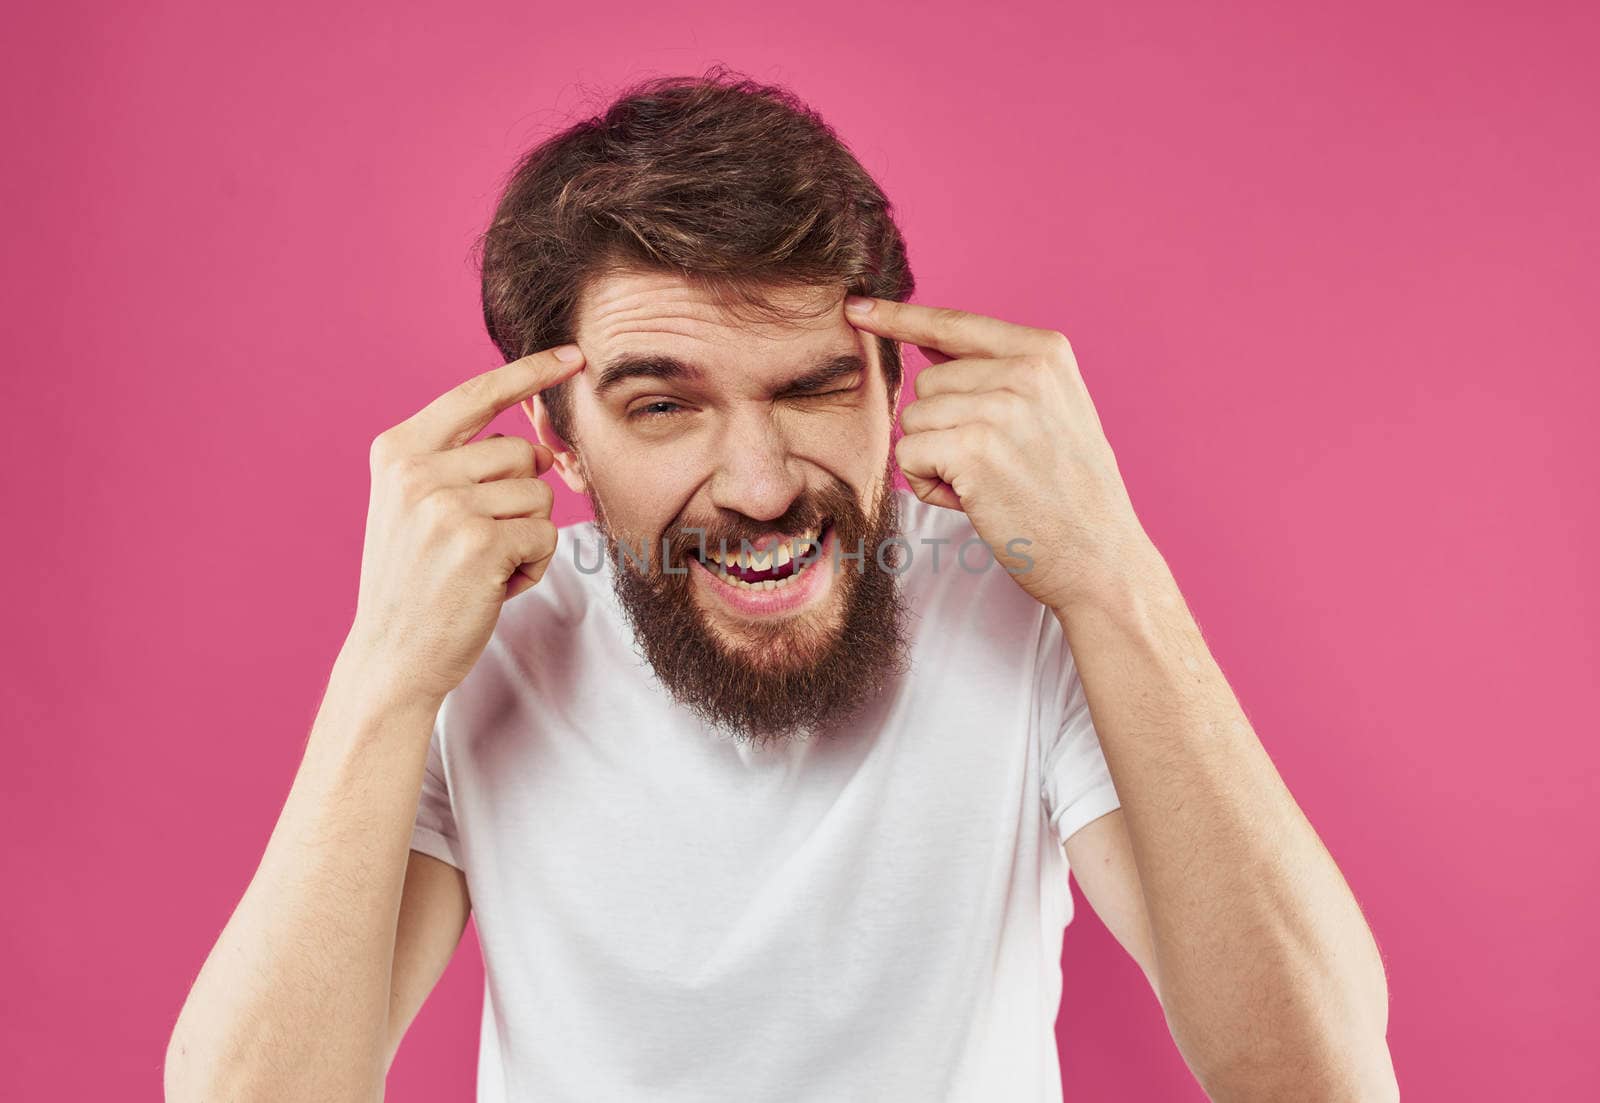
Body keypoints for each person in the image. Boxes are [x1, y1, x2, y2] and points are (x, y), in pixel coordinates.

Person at [165, 67, 1398, 1102]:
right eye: (663, 406)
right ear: (554, 431)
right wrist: (381, 670)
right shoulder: (484, 652)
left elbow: (1318, 1074)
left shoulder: (1026, 614)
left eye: (811, 387)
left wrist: (1115, 569)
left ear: (892, 382)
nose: (758, 485)